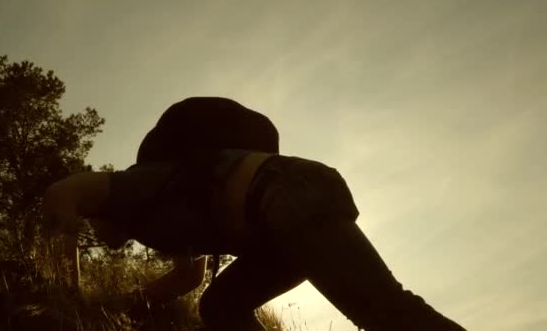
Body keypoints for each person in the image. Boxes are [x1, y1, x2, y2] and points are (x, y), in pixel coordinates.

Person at [42, 98, 466, 330]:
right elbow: (186, 278)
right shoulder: (165, 221)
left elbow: (64, 191)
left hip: (285, 194)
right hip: (278, 226)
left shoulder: (138, 185)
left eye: (91, 224)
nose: (96, 232)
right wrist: (117, 306)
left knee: (384, 313)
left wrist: (63, 297)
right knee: (221, 308)